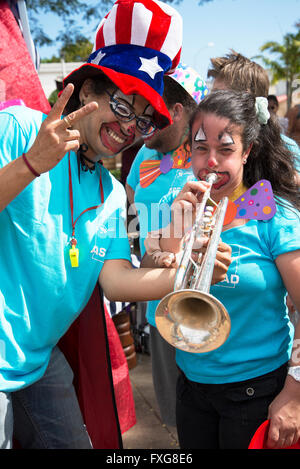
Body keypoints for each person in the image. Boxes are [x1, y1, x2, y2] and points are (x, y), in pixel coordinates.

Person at [0, 0, 188, 449]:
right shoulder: (19, 128)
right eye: (123, 105)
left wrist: (188, 275)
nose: (129, 128)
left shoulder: (112, 192)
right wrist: (30, 163)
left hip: (38, 364)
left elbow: (118, 281)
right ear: (86, 93)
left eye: (143, 120)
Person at [148, 89, 300, 449]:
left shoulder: (275, 216)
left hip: (256, 392)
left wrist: (294, 393)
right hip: (192, 386)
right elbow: (156, 280)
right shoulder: (181, 205)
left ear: (247, 151)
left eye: (226, 149)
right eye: (201, 148)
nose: (211, 161)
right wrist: (173, 231)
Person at [126, 63, 211, 427]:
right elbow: (129, 209)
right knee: (171, 403)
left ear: (176, 112)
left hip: (209, 292)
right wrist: (135, 252)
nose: (139, 121)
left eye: (150, 110)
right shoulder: (142, 156)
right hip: (156, 292)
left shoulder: (210, 156)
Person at [207, 50, 300, 179]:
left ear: (247, 100)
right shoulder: (207, 145)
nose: (210, 103)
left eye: (218, 95)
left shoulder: (286, 150)